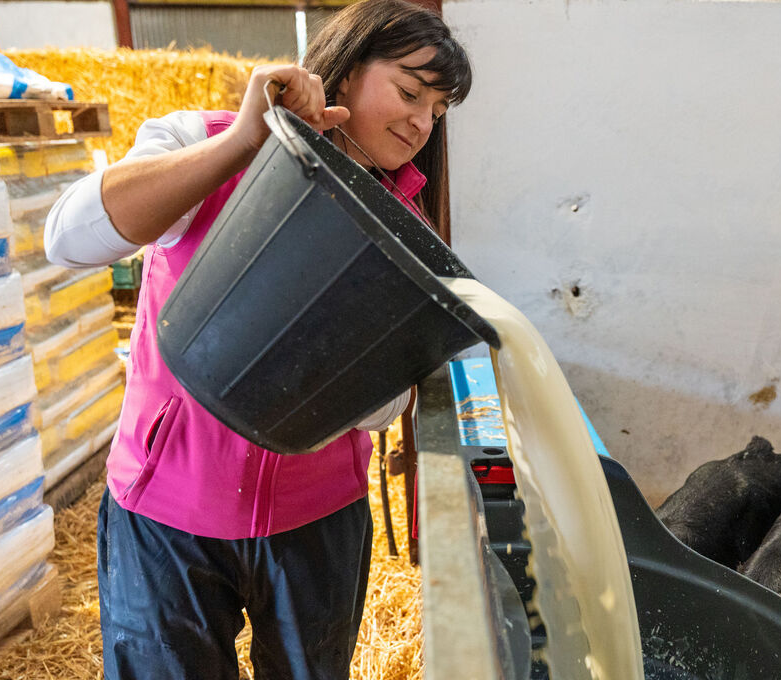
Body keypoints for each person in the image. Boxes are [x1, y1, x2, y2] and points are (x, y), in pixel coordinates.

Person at [43, 1, 472, 677]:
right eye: (411, 92)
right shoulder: (205, 141)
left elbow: (385, 407)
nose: (422, 122)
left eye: (438, 110)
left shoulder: (402, 231)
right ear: (347, 70)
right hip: (168, 513)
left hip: (317, 519)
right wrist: (245, 141)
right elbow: (66, 238)